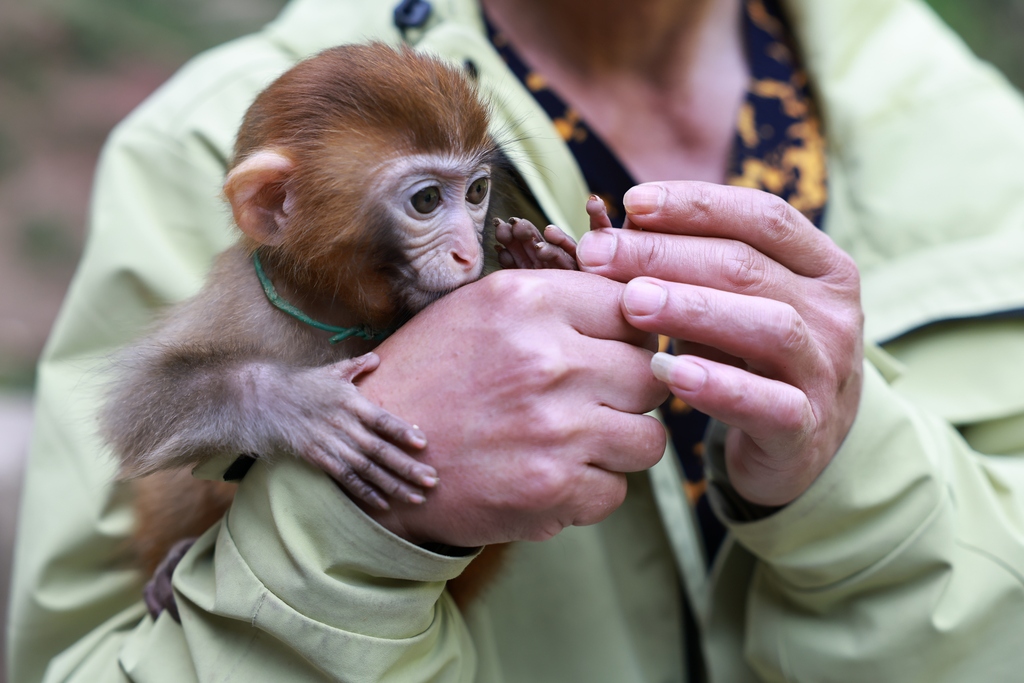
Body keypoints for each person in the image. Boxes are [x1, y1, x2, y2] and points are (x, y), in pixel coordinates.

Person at [7, 0, 1024, 680]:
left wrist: (851, 477)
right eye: (424, 203)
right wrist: (352, 529)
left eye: (476, 198)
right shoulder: (208, 142)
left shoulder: (967, 121)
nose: (462, 241)